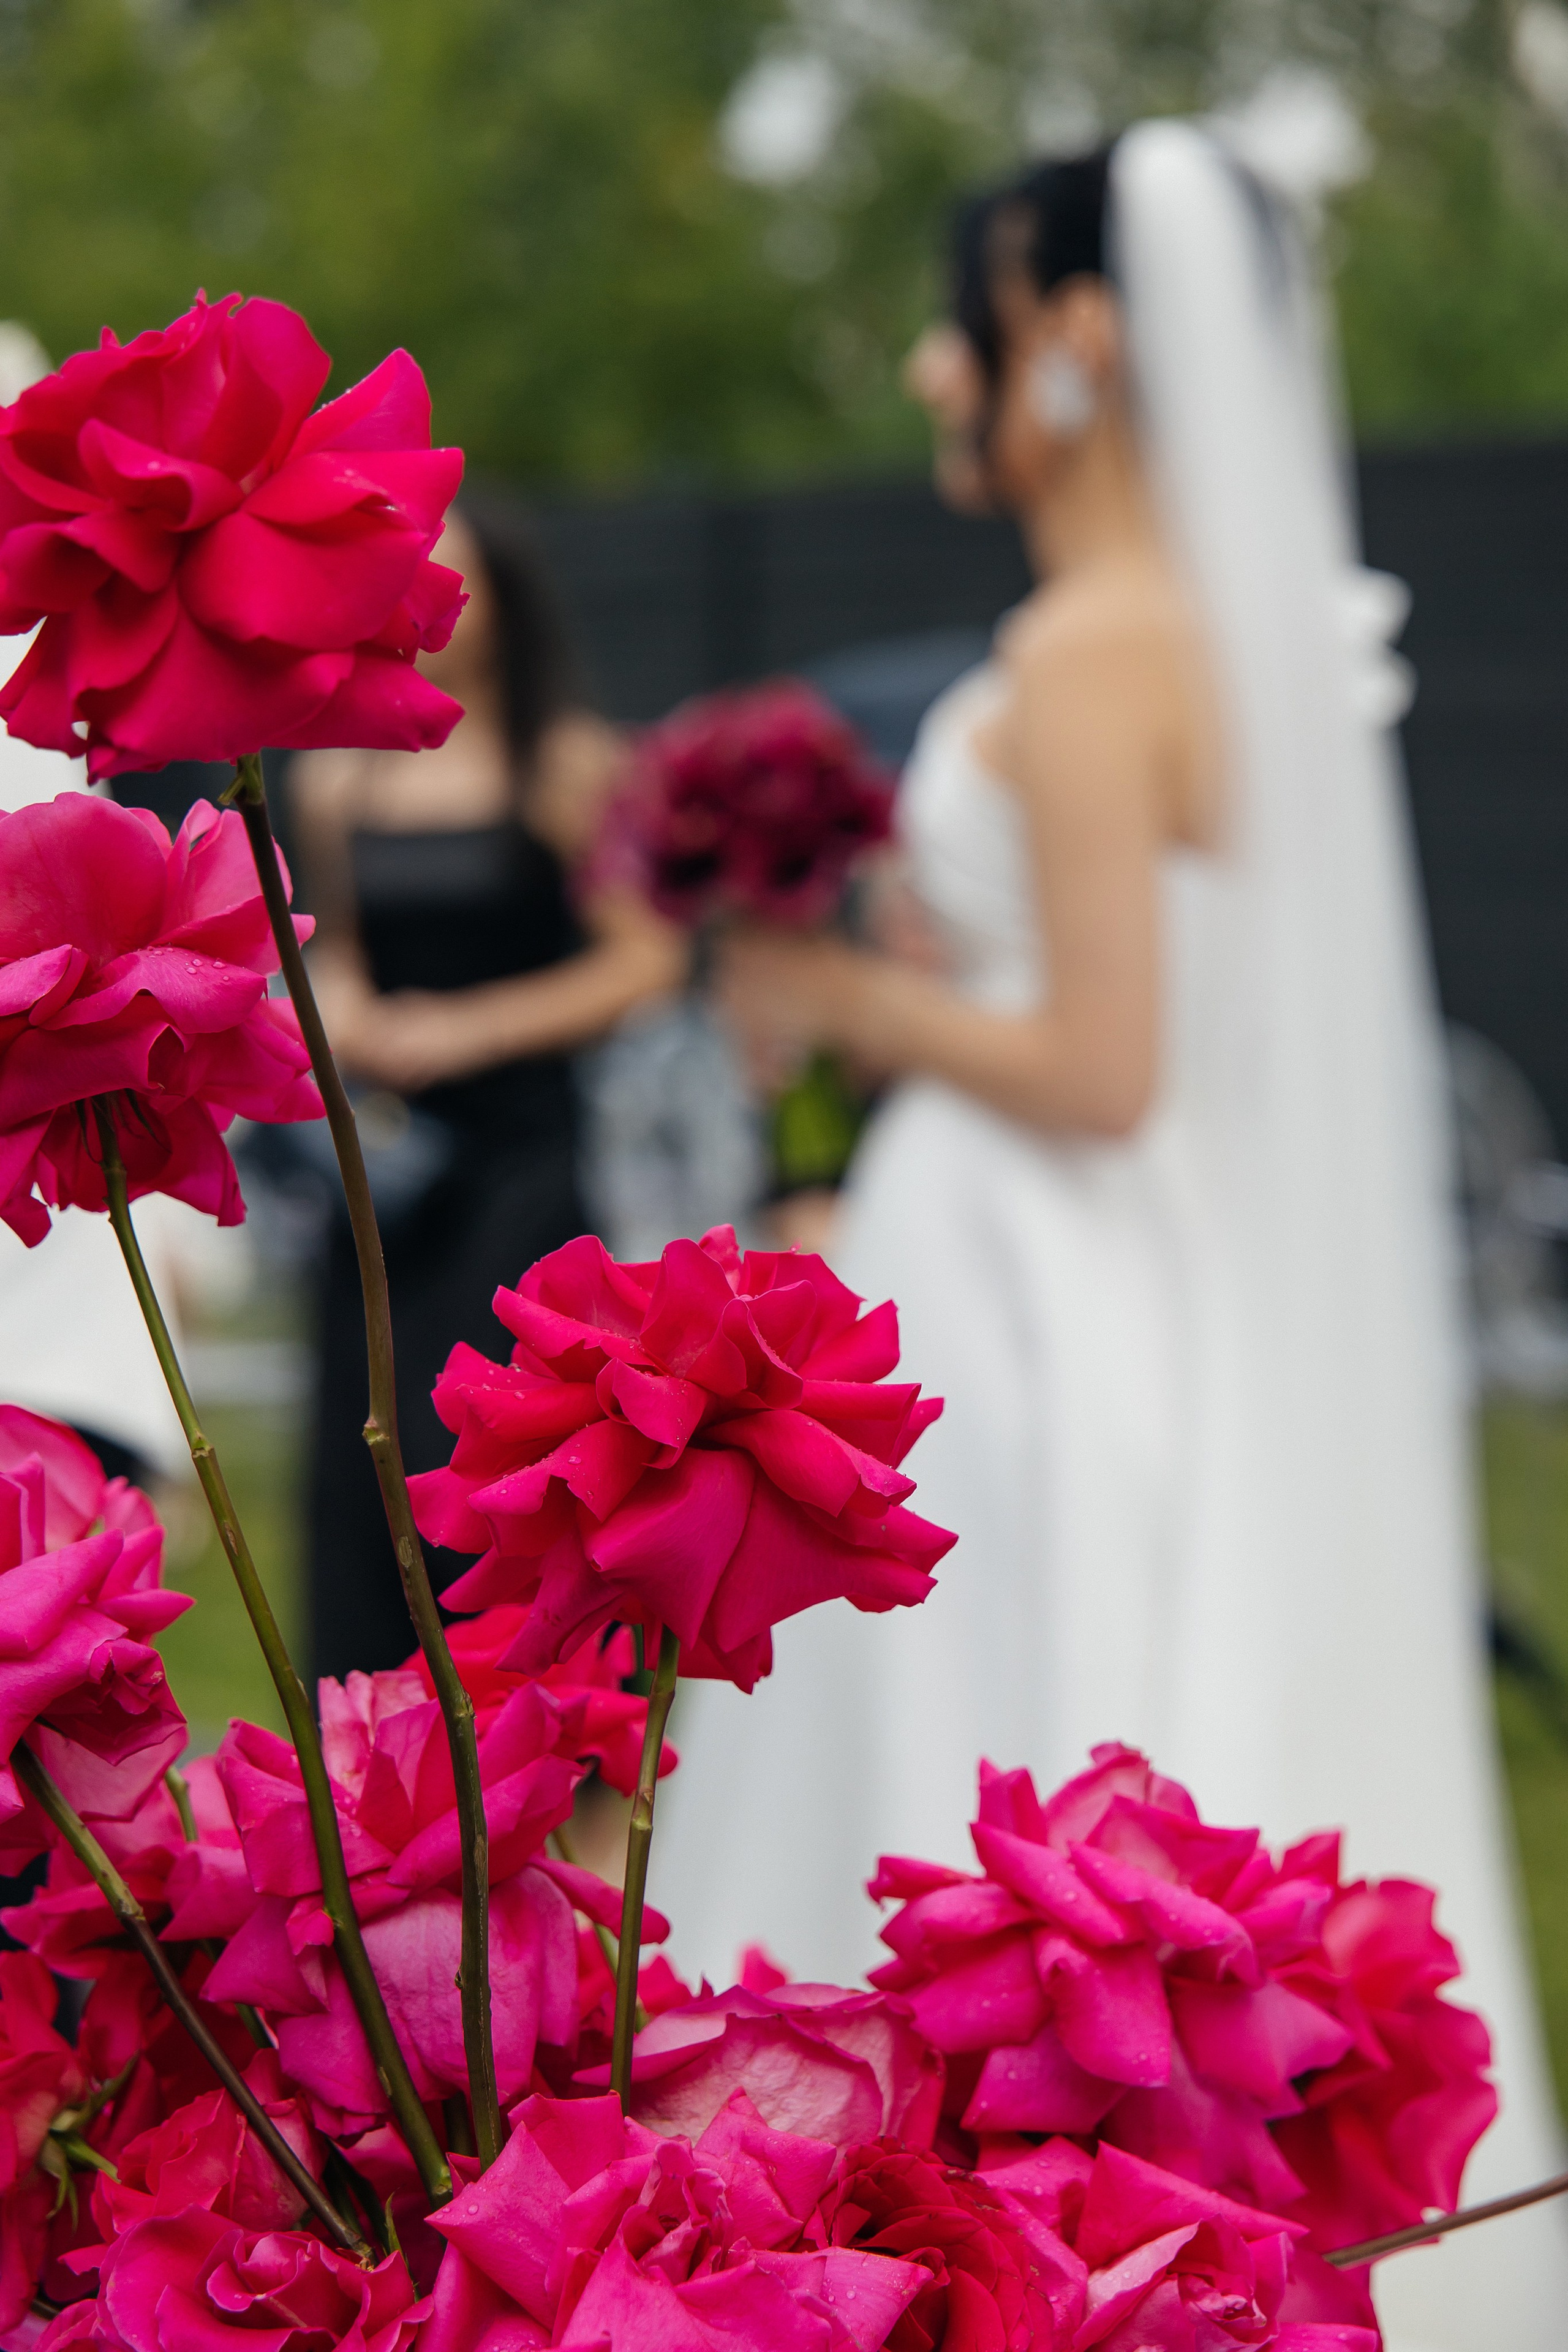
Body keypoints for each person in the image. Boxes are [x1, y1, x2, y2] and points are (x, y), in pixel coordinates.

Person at [653, 125, 1568, 2348]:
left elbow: (1105, 1067)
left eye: (959, 316)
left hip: (1036, 1308)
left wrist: (844, 996)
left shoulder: (1084, 656)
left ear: (1065, 334)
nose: (925, 364)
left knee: (986, 1788)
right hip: (1136, 1302)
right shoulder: (1236, 641)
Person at [293, 494, 684, 1681]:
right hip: (386, 1178)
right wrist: (341, 1001)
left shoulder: (566, 767)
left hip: (521, 1170)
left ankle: (545, 1734)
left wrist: (471, 1029)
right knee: (363, 1463)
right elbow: (337, 944)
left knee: (499, 1471)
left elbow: (646, 961)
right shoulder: (335, 771)